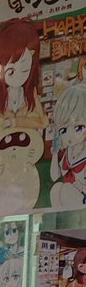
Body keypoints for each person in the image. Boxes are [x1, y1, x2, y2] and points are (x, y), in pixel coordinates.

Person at [50, 81, 86, 210]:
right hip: (69, 200)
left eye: (78, 128)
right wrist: (55, 154)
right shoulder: (68, 152)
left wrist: (82, 187)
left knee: (66, 190)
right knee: (56, 189)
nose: (70, 136)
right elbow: (55, 176)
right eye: (64, 130)